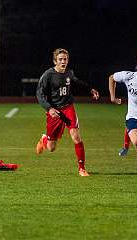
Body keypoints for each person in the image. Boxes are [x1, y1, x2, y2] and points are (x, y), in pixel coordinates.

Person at [36, 48, 99, 177]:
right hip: (54, 111)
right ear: (55, 61)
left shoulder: (69, 73)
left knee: (76, 136)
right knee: (51, 148)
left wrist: (90, 89)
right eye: (60, 59)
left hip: (68, 108)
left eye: (65, 59)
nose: (63, 61)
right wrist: (49, 108)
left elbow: (77, 82)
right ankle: (44, 139)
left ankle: (82, 168)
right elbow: (39, 94)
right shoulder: (48, 75)